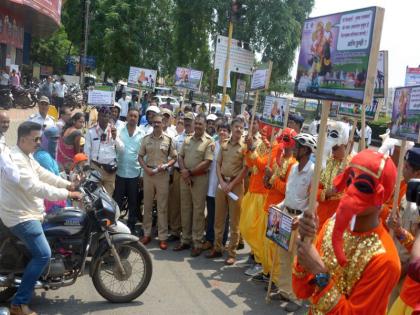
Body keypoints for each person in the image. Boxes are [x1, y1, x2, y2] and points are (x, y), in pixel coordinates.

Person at [293, 149, 400, 315]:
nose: (350, 190)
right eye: (349, 180)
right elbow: (302, 291)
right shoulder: (330, 227)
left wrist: (321, 274)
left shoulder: (385, 260)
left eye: (363, 186)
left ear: (381, 195)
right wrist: (305, 244)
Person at [0, 121, 80, 315]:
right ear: (23, 139)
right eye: (36, 139)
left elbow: (43, 174)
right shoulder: (17, 159)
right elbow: (36, 187)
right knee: (43, 254)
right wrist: (67, 195)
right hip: (21, 216)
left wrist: (67, 184)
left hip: (29, 210)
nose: (39, 142)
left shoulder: (26, 155)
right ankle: (18, 304)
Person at [275, 133, 316, 312]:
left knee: (297, 262)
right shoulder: (293, 168)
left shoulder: (314, 171)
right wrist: (278, 206)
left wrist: (300, 218)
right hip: (285, 217)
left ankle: (297, 297)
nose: (294, 149)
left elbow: (313, 202)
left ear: (306, 150)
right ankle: (285, 290)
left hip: (300, 222)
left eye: (297, 147)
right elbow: (289, 196)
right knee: (283, 256)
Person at [259, 128, 297, 292]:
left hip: (283, 211)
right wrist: (267, 179)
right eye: (283, 144)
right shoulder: (279, 158)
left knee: (278, 249)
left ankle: (276, 281)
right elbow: (269, 183)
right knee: (268, 245)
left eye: (287, 145)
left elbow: (287, 190)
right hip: (271, 206)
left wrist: (272, 178)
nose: (284, 148)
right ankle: (268, 274)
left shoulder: (294, 165)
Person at [206, 118, 247, 265]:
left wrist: (232, 184)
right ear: (232, 127)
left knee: (234, 222)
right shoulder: (223, 144)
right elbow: (218, 164)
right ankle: (217, 248)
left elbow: (245, 169)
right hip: (222, 185)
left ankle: (232, 253)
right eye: (236, 127)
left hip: (236, 186)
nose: (238, 130)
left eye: (241, 128)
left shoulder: (244, 147)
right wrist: (222, 182)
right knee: (219, 219)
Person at [174, 113, 214, 257]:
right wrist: (184, 171)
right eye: (196, 123)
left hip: (199, 180)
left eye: (200, 124)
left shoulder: (209, 142)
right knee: (185, 209)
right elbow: (180, 156)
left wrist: (189, 172)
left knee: (198, 211)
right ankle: (185, 239)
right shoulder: (187, 139)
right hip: (185, 179)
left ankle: (197, 242)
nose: (197, 126)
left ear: (205, 126)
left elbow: (207, 162)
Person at [138, 113, 177, 250]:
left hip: (162, 175)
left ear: (163, 123)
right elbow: (140, 156)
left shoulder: (169, 140)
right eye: (154, 122)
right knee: (147, 206)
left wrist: (166, 165)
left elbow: (174, 158)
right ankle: (147, 234)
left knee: (162, 207)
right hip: (149, 174)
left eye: (159, 122)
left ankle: (162, 237)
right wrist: (145, 170)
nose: (156, 124)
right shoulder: (146, 139)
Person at [240, 122, 270, 276]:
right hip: (252, 192)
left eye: (266, 132)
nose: (263, 134)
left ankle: (259, 262)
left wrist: (252, 149)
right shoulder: (261, 146)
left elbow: (265, 167)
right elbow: (251, 164)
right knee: (246, 227)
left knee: (256, 231)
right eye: (263, 131)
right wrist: (248, 149)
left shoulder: (274, 148)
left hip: (262, 195)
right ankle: (255, 256)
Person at [113, 108, 144, 234]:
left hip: (134, 173)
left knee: (133, 202)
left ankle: (131, 226)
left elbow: (143, 155)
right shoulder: (120, 131)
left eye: (135, 116)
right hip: (120, 172)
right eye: (130, 115)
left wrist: (142, 174)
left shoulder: (141, 134)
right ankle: (116, 226)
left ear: (138, 118)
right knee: (117, 201)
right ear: (127, 117)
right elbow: (114, 149)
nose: (132, 118)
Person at [316, 121, 350, 230]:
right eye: (332, 148)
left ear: (345, 145)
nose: (332, 151)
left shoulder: (352, 166)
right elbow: (312, 189)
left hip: (337, 222)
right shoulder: (327, 161)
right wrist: (325, 193)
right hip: (319, 217)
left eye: (335, 148)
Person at [202, 122, 230, 251]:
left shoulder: (230, 147)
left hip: (224, 187)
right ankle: (209, 239)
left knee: (223, 217)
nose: (223, 132)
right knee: (211, 215)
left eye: (225, 130)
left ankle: (221, 242)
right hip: (211, 186)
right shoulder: (212, 145)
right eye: (221, 130)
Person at [168, 112, 194, 242]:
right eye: (186, 120)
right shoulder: (177, 138)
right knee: (175, 204)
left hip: (192, 175)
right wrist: (171, 174)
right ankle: (175, 231)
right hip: (178, 173)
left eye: (190, 120)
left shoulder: (196, 138)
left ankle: (187, 233)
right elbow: (173, 157)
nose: (188, 123)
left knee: (188, 206)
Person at [84, 106, 122, 195]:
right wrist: (87, 169)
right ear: (98, 116)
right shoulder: (91, 131)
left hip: (110, 171)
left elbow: (121, 149)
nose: (104, 118)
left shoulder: (114, 131)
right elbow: (87, 151)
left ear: (109, 117)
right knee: (95, 197)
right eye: (102, 115)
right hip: (96, 168)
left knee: (108, 199)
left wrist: (115, 137)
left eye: (107, 115)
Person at [33, 127, 67, 213]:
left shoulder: (49, 154)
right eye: (52, 138)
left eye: (57, 138)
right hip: (48, 199)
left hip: (53, 196)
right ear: (44, 139)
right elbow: (51, 179)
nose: (55, 141)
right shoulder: (43, 156)